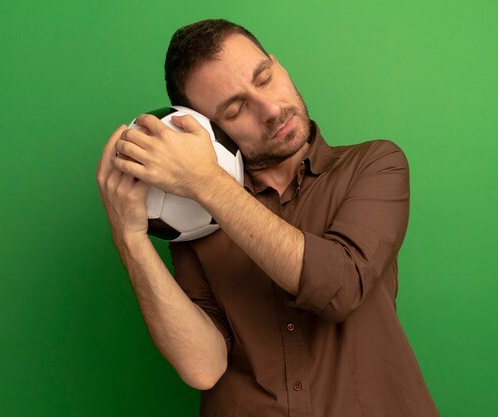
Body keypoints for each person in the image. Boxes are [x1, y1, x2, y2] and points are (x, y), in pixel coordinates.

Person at [96, 19, 439, 417]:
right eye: (236, 108)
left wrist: (206, 182)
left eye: (264, 78)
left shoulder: (374, 164)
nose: (272, 109)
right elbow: (203, 367)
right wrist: (130, 237)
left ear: (279, 65)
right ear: (210, 131)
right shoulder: (193, 219)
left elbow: (340, 287)